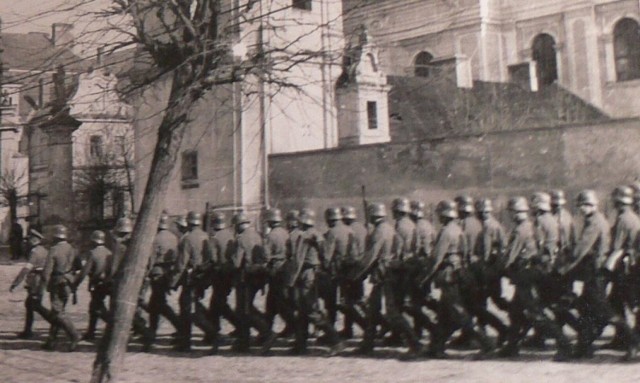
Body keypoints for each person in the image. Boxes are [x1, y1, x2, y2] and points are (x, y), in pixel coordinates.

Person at [558, 190, 639, 361]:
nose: (580, 209)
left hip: (597, 271)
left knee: (604, 311)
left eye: (582, 205)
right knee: (588, 309)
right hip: (598, 271)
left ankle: (633, 342)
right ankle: (584, 347)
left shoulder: (597, 222)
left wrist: (565, 266)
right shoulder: (608, 219)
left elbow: (581, 248)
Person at [497, 197, 572, 361]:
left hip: (525, 276)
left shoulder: (520, 230)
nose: (510, 215)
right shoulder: (531, 226)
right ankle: (511, 346)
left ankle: (564, 344)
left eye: (511, 212)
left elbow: (510, 256)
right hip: (531, 273)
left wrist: (499, 269)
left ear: (516, 213)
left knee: (535, 313)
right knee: (515, 312)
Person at [421, 200, 493, 359]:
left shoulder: (446, 232)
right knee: (444, 315)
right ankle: (436, 347)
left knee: (459, 313)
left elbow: (437, 257)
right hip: (457, 274)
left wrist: (425, 277)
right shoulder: (458, 230)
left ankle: (486, 343)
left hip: (448, 276)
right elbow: (466, 254)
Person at [355, 203, 421, 360]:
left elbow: (371, 256)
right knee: (373, 310)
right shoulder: (389, 228)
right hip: (385, 273)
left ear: (372, 216)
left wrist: (356, 274)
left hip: (384, 275)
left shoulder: (379, 231)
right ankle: (367, 344)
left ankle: (415, 344)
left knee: (392, 312)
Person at [289, 208, 345, 356]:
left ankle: (335, 341)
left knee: (311, 311)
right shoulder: (317, 234)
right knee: (302, 311)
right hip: (312, 273)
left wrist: (291, 280)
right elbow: (326, 256)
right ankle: (300, 344)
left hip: (306, 274)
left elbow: (299, 260)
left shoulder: (305, 236)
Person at [231, 211, 277, 353]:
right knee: (245, 308)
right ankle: (244, 341)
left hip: (246, 278)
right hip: (259, 277)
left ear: (238, 225)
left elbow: (236, 263)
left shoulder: (241, 239)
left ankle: (267, 332)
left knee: (244, 310)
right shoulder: (258, 235)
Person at [171, 211, 216, 352]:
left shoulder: (187, 239)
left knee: (188, 310)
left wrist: (173, 281)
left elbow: (181, 263)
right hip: (202, 276)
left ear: (189, 223)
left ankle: (210, 334)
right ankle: (187, 340)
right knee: (190, 307)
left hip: (191, 278)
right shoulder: (205, 235)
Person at [39, 225, 81, 351]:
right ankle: (51, 341)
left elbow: (47, 272)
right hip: (68, 282)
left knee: (58, 312)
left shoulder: (54, 250)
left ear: (55, 237)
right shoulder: (72, 249)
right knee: (57, 310)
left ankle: (74, 335)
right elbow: (78, 266)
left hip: (57, 282)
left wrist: (42, 287)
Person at [145, 214, 180, 351]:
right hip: (168, 272)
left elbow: (151, 258)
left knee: (159, 304)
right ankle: (151, 332)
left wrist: (147, 272)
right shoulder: (173, 237)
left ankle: (178, 325)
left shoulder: (155, 238)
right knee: (156, 303)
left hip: (157, 272)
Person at [9, 229, 53, 339]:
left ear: (34, 240)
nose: (27, 242)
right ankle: (27, 331)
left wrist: (16, 282)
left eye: (29, 239)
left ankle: (58, 322)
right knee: (30, 305)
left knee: (36, 306)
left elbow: (26, 269)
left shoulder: (34, 252)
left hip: (35, 282)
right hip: (40, 281)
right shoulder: (44, 250)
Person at [263, 208, 295, 347]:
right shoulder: (286, 233)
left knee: (274, 302)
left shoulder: (271, 236)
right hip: (286, 268)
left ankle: (268, 332)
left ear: (270, 221)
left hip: (275, 270)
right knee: (280, 300)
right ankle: (288, 328)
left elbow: (266, 255)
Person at [73, 230, 112, 341]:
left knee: (98, 308)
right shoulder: (108, 252)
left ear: (93, 241)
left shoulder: (93, 253)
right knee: (94, 308)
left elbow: (84, 272)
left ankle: (112, 325)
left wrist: (75, 283)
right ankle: (91, 332)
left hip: (97, 284)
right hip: (106, 283)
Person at [207, 211, 239, 343]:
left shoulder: (214, 238)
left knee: (218, 303)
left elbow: (213, 259)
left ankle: (238, 325)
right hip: (230, 273)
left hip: (219, 274)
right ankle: (214, 331)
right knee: (217, 303)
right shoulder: (231, 236)